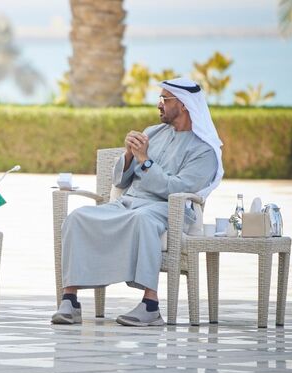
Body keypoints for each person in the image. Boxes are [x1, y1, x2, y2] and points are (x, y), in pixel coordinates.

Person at [51, 77, 223, 327]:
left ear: (184, 105)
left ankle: (150, 306)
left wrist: (144, 159)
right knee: (78, 217)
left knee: (143, 220)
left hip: (168, 209)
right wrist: (129, 155)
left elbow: (175, 189)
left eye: (165, 99)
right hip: (128, 203)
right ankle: (70, 300)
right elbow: (120, 181)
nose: (159, 104)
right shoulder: (152, 132)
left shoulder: (204, 151)